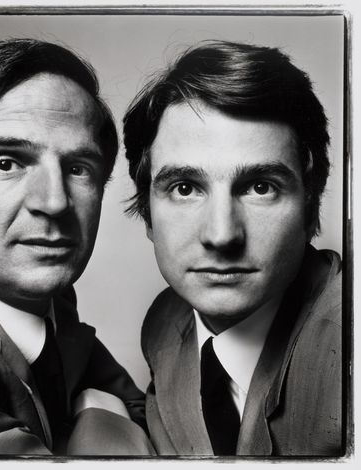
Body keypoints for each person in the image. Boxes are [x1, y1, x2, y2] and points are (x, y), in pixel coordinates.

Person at [0, 38, 153, 456]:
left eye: (77, 168)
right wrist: (104, 416)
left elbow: (145, 411)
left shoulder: (38, 289)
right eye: (6, 163)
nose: (54, 201)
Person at [123, 40, 343, 456]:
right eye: (185, 188)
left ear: (311, 205)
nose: (222, 235)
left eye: (261, 187)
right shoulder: (165, 323)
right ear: (147, 212)